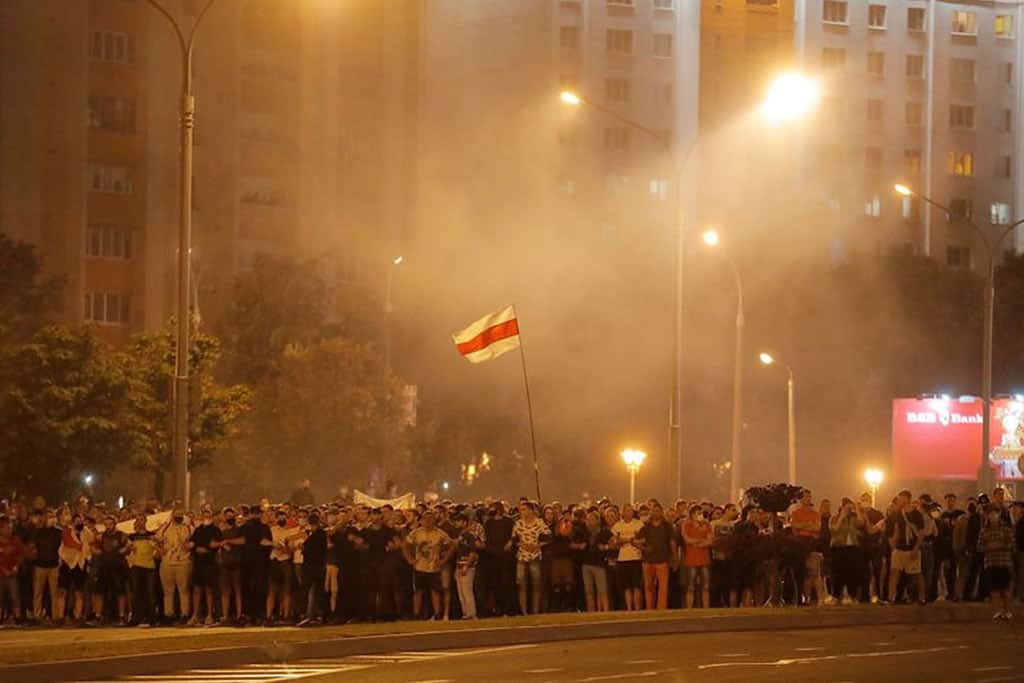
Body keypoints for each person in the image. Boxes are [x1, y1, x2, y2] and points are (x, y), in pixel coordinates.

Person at [403, 510, 453, 619]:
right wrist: (410, 559)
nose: (428, 521)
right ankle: (416, 614)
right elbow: (405, 545)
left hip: (433, 567)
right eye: (426, 519)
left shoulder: (440, 533)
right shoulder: (416, 532)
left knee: (435, 591)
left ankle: (437, 613)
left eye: (431, 519)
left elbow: (451, 546)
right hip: (419, 566)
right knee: (418, 591)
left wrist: (443, 560)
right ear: (422, 520)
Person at [886, 490, 926, 605]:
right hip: (899, 549)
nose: (899, 500)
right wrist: (893, 547)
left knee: (917, 574)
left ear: (907, 499)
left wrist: (916, 549)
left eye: (901, 498)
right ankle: (891, 598)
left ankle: (922, 598)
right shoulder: (897, 514)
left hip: (912, 549)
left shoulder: (917, 514)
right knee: (894, 573)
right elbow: (895, 531)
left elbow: (921, 533)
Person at [635, 501, 677, 611]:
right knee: (649, 587)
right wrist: (644, 549)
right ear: (651, 513)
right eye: (654, 511)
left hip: (662, 561)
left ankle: (661, 609)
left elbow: (672, 542)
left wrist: (674, 558)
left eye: (658, 511)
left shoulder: (667, 526)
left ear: (661, 512)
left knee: (663, 588)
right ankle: (650, 609)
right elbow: (637, 542)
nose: (656, 513)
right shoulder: (646, 527)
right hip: (647, 561)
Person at [509, 501, 549, 615]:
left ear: (531, 510)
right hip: (522, 556)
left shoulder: (539, 523)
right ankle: (524, 611)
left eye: (524, 509)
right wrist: (521, 545)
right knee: (521, 584)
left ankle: (535, 611)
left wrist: (538, 545)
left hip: (535, 556)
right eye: (521, 510)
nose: (522, 512)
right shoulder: (518, 524)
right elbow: (514, 539)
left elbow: (548, 536)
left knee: (536, 585)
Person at [978, 504, 1016, 620]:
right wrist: (991, 547)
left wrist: (998, 545)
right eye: (990, 513)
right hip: (990, 563)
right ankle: (998, 611)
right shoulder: (984, 530)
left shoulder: (1006, 528)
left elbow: (1012, 544)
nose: (992, 515)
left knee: (1006, 589)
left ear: (999, 514)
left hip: (1004, 562)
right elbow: (979, 546)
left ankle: (1008, 611)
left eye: (995, 512)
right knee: (994, 589)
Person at [790, 489, 826, 606]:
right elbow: (794, 527)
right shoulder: (796, 513)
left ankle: (820, 598)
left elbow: (817, 529)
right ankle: (806, 598)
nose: (809, 498)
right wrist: (808, 525)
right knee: (805, 574)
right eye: (806, 496)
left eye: (810, 496)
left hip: (812, 545)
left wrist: (803, 526)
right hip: (799, 546)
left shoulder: (815, 514)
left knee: (815, 572)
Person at [92, 514, 130, 624]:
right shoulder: (101, 536)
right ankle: (98, 616)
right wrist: (95, 550)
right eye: (106, 524)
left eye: (110, 524)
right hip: (104, 567)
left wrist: (124, 550)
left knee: (120, 592)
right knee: (99, 591)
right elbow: (93, 546)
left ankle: (122, 616)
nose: (108, 526)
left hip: (118, 567)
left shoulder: (121, 535)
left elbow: (129, 545)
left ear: (114, 524)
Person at [158, 508, 194, 623]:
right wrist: (160, 549)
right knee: (168, 591)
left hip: (183, 561)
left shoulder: (188, 527)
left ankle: (184, 614)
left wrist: (189, 545)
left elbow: (196, 540)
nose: (178, 516)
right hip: (167, 562)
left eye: (181, 514)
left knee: (183, 590)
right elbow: (156, 538)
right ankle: (168, 614)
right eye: (176, 514)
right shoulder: (166, 527)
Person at [189, 508, 222, 625]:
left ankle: (209, 615)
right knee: (197, 589)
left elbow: (218, 544)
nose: (205, 516)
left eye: (207, 514)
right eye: (203, 514)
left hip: (210, 563)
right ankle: (195, 615)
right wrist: (193, 547)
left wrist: (208, 549)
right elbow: (192, 543)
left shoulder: (216, 530)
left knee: (209, 589)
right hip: (198, 563)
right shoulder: (198, 530)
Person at [266, 508, 297, 624]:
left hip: (285, 561)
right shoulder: (272, 530)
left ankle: (285, 616)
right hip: (274, 560)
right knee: (272, 591)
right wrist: (273, 544)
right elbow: (263, 542)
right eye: (279, 516)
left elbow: (292, 549)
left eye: (283, 516)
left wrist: (285, 547)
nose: (281, 518)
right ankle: (269, 616)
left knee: (286, 590)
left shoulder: (291, 532)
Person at [611, 504, 644, 611]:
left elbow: (640, 538)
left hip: (636, 557)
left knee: (637, 586)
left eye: (630, 511)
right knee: (626, 586)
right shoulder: (618, 525)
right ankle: (629, 608)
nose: (629, 513)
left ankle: (637, 608)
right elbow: (615, 541)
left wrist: (623, 540)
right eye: (626, 511)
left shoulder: (638, 524)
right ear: (623, 512)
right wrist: (629, 540)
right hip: (622, 559)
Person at [126, 514, 157, 627]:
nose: (140, 522)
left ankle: (151, 618)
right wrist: (129, 548)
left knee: (150, 593)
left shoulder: (151, 535)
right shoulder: (132, 536)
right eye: (138, 520)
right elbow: (127, 550)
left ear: (145, 521)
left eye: (142, 520)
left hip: (149, 566)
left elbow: (157, 550)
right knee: (136, 593)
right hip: (136, 566)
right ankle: (136, 617)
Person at [829, 498, 862, 604]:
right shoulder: (834, 517)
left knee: (852, 573)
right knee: (838, 573)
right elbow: (834, 529)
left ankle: (852, 595)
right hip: (838, 547)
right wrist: (841, 517)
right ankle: (836, 596)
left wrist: (857, 510)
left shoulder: (853, 518)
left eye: (850, 507)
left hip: (852, 547)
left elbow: (861, 523)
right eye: (847, 507)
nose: (849, 510)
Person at [298, 513, 327, 625]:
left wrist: (304, 546)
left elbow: (307, 549)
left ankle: (305, 614)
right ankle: (318, 614)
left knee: (306, 590)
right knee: (318, 592)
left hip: (311, 566)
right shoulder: (320, 534)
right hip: (318, 566)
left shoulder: (316, 535)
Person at [580, 511, 612, 612]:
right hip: (586, 564)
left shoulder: (605, 532)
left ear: (597, 521)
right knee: (588, 591)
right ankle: (591, 612)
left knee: (602, 590)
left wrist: (605, 547)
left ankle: (605, 611)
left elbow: (614, 543)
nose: (589, 522)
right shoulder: (584, 532)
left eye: (591, 519)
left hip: (599, 564)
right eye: (588, 519)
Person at [217, 507, 245, 624]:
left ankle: (239, 615)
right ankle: (225, 615)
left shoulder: (239, 530)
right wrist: (221, 544)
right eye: (227, 516)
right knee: (225, 591)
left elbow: (242, 541)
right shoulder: (220, 531)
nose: (230, 518)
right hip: (224, 563)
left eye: (231, 516)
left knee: (238, 590)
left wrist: (228, 542)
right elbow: (214, 543)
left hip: (237, 563)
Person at [681, 504, 712, 609]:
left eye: (701, 513)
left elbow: (710, 541)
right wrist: (701, 540)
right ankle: (689, 609)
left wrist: (696, 543)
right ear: (692, 515)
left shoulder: (706, 524)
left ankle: (706, 608)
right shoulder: (686, 525)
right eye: (698, 513)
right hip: (691, 560)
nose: (701, 515)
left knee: (706, 586)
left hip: (704, 559)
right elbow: (687, 540)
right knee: (690, 586)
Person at [0, 515, 25, 623]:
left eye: (10, 527)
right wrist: (3, 569)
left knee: (15, 596)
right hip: (1, 574)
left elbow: (20, 555)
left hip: (12, 574)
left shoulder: (16, 540)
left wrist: (16, 567)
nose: (9, 529)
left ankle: (17, 617)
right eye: (7, 527)